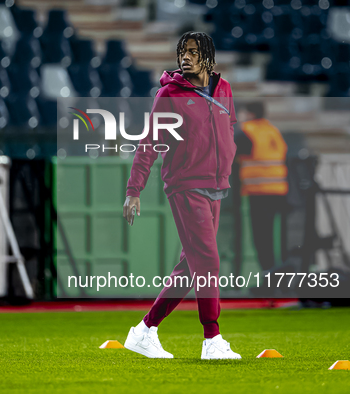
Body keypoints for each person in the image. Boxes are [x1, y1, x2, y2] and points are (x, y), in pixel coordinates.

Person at [122, 32, 241, 360]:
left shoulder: (225, 89)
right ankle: (212, 338)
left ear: (208, 56)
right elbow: (149, 144)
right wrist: (134, 191)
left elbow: (228, 130)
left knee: (193, 265)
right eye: (181, 52)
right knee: (208, 260)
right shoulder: (168, 95)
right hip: (185, 185)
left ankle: (144, 330)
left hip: (216, 186)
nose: (185, 57)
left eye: (192, 52)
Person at [234, 101, 289, 272]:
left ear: (250, 114)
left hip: (259, 192)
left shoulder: (247, 131)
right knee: (277, 236)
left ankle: (269, 273)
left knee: (261, 236)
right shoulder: (272, 130)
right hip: (279, 190)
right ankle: (279, 271)